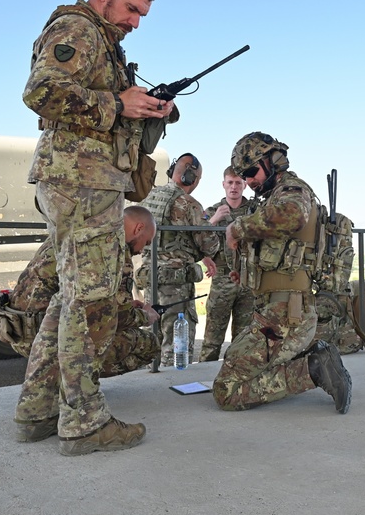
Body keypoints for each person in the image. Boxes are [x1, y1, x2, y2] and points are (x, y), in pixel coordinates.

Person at [18, 0, 176, 456]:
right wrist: (118, 106)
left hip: (86, 181)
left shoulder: (103, 43)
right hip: (81, 181)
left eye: (142, 15)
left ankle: (37, 411)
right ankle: (84, 424)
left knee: (69, 300)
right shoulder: (77, 28)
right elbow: (41, 92)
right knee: (89, 302)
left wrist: (145, 107)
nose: (134, 21)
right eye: (131, 8)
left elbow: (95, 101)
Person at [213, 132, 352, 414]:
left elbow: (292, 215)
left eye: (251, 171)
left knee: (226, 391)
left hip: (286, 315)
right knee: (234, 358)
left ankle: (315, 369)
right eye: (242, 174)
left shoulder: (293, 192)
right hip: (277, 312)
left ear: (273, 161)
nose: (248, 180)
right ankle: (311, 359)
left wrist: (237, 228)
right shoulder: (273, 197)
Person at [8, 206, 161, 378]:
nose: (142, 250)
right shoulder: (114, 249)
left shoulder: (74, 232)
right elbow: (120, 318)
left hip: (20, 334)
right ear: (138, 228)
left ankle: (63, 379)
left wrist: (122, 305)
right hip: (54, 340)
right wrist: (145, 316)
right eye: (146, 242)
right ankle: (80, 382)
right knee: (149, 343)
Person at [138, 153, 220, 366]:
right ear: (191, 176)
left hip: (150, 281)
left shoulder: (148, 197)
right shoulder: (187, 203)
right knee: (176, 345)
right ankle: (171, 387)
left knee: (151, 338)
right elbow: (210, 244)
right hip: (175, 286)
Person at [199, 167, 255, 362]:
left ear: (245, 185)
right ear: (223, 184)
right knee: (212, 338)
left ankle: (238, 376)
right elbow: (197, 239)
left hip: (248, 281)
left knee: (244, 337)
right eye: (230, 182)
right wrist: (213, 221)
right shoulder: (211, 212)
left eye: (238, 183)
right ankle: (204, 377)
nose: (234, 187)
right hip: (222, 280)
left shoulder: (254, 211)